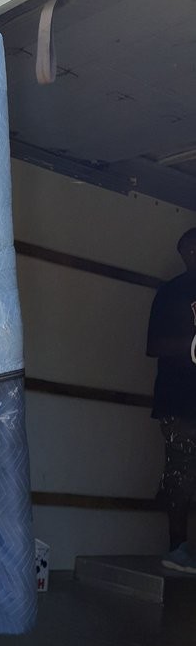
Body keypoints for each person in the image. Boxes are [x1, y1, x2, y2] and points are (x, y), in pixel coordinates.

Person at [147, 227, 196, 573]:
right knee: (179, 475)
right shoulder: (171, 292)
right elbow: (154, 346)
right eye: (189, 251)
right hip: (179, 402)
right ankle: (178, 549)